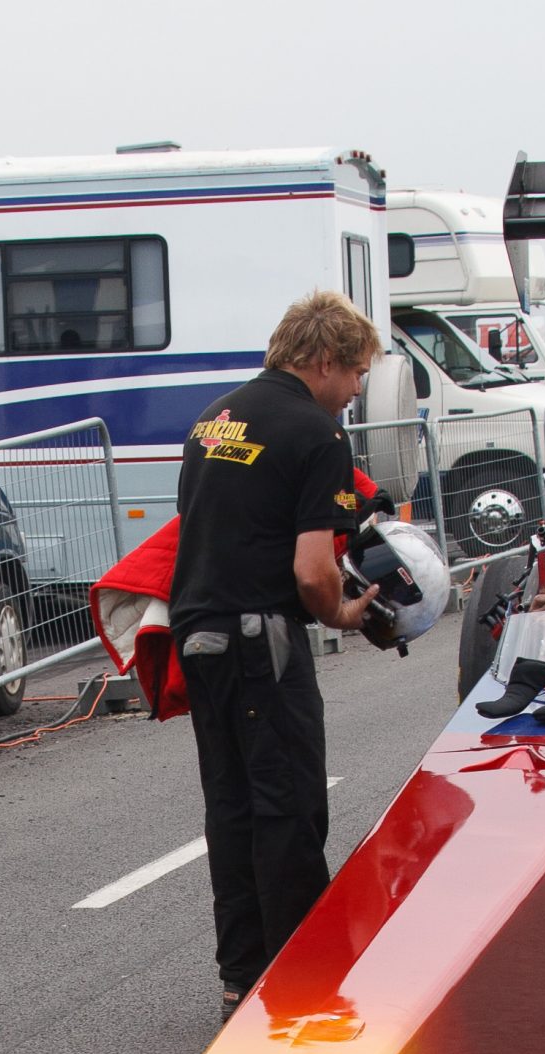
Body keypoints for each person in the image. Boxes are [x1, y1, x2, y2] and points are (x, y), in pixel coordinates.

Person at [169, 291, 380, 1012]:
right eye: (356, 372)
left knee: (230, 805)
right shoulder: (317, 435)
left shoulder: (214, 419)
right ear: (323, 361)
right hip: (263, 638)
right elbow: (314, 573)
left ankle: (242, 974)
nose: (356, 390)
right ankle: (300, 982)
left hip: (198, 631)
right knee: (287, 804)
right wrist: (345, 614)